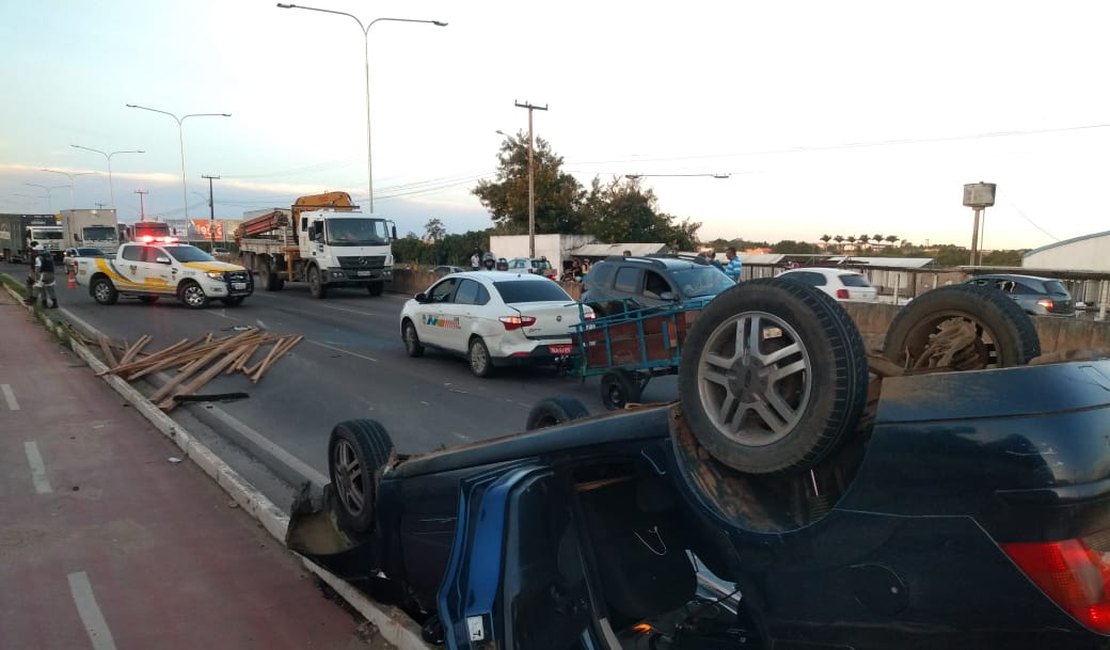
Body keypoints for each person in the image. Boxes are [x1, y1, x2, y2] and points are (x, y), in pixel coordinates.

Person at [34, 244, 58, 308]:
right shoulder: (50, 257)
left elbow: (37, 269)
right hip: (51, 274)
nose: (35, 252)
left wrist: (37, 277)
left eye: (36, 251)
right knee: (51, 289)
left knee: (41, 289)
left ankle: (44, 304)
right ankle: (55, 303)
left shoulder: (38, 258)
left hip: (43, 274)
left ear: (38, 251)